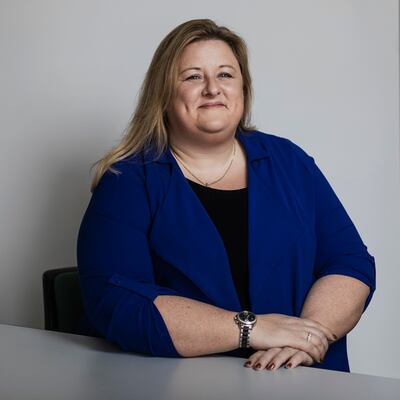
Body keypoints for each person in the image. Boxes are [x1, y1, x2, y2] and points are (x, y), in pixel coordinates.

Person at [76, 19, 376, 373]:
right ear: (163, 94)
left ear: (243, 88)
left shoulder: (289, 161)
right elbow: (115, 300)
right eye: (193, 77)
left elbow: (349, 261)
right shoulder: (127, 181)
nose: (212, 89)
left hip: (305, 379)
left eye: (225, 75)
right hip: (189, 385)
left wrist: (306, 337)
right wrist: (251, 329)